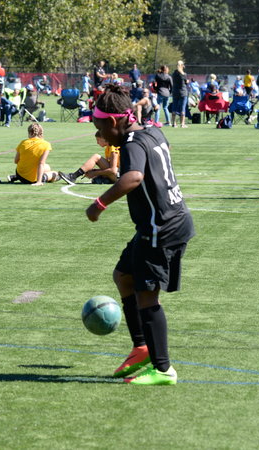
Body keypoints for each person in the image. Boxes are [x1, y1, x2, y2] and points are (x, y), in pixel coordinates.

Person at [85, 84, 195, 385]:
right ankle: (142, 347)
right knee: (124, 276)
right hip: (162, 222)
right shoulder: (153, 132)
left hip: (162, 228)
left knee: (147, 295)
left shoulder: (132, 144)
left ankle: (163, 370)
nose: (100, 135)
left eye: (100, 128)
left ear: (114, 121)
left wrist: (98, 204)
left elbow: (133, 177)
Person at [171, 60, 188, 128]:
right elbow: (185, 82)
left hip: (175, 91)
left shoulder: (174, 74)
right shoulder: (184, 74)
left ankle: (174, 123)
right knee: (182, 108)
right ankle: (182, 124)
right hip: (183, 92)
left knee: (174, 107)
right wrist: (187, 81)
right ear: (182, 65)